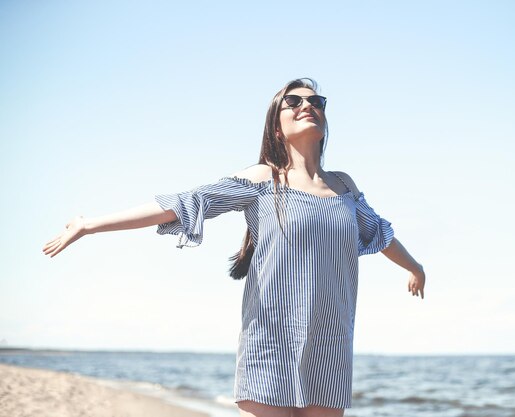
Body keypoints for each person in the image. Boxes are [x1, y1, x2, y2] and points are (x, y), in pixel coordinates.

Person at [43, 78, 426, 417]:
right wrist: (90, 224)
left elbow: (380, 233)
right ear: (276, 128)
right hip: (270, 342)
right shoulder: (264, 180)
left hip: (331, 345)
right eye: (293, 102)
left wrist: (415, 267)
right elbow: (183, 202)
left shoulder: (344, 186)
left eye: (316, 101)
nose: (307, 105)